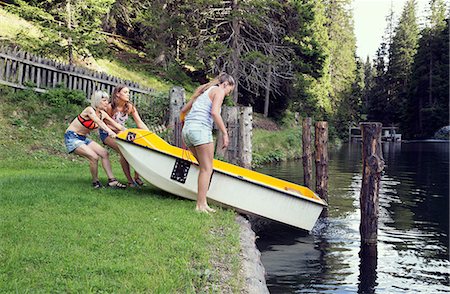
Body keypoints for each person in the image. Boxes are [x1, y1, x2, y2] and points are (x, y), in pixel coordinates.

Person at [180, 72, 235, 213]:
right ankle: (200, 205)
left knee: (204, 168)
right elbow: (215, 113)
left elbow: (183, 111)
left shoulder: (203, 92)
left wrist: (184, 122)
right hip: (200, 130)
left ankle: (203, 202)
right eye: (230, 90)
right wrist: (224, 133)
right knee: (207, 169)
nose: (228, 94)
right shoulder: (219, 91)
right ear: (225, 84)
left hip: (188, 131)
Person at [64, 90, 127, 189]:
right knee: (94, 157)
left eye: (107, 100)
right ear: (97, 101)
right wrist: (110, 132)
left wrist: (129, 131)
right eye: (104, 100)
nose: (107, 102)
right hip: (72, 137)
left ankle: (112, 181)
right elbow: (98, 122)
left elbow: (117, 125)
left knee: (104, 153)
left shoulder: (103, 114)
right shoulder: (89, 110)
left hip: (83, 138)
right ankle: (95, 183)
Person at [99, 84, 149, 187]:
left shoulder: (129, 106)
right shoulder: (110, 107)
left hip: (121, 132)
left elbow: (139, 122)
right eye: (125, 92)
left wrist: (148, 133)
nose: (128, 95)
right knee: (124, 150)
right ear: (117, 94)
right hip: (107, 133)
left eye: (128, 93)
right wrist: (119, 130)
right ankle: (130, 181)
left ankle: (137, 177)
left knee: (139, 148)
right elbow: (104, 124)